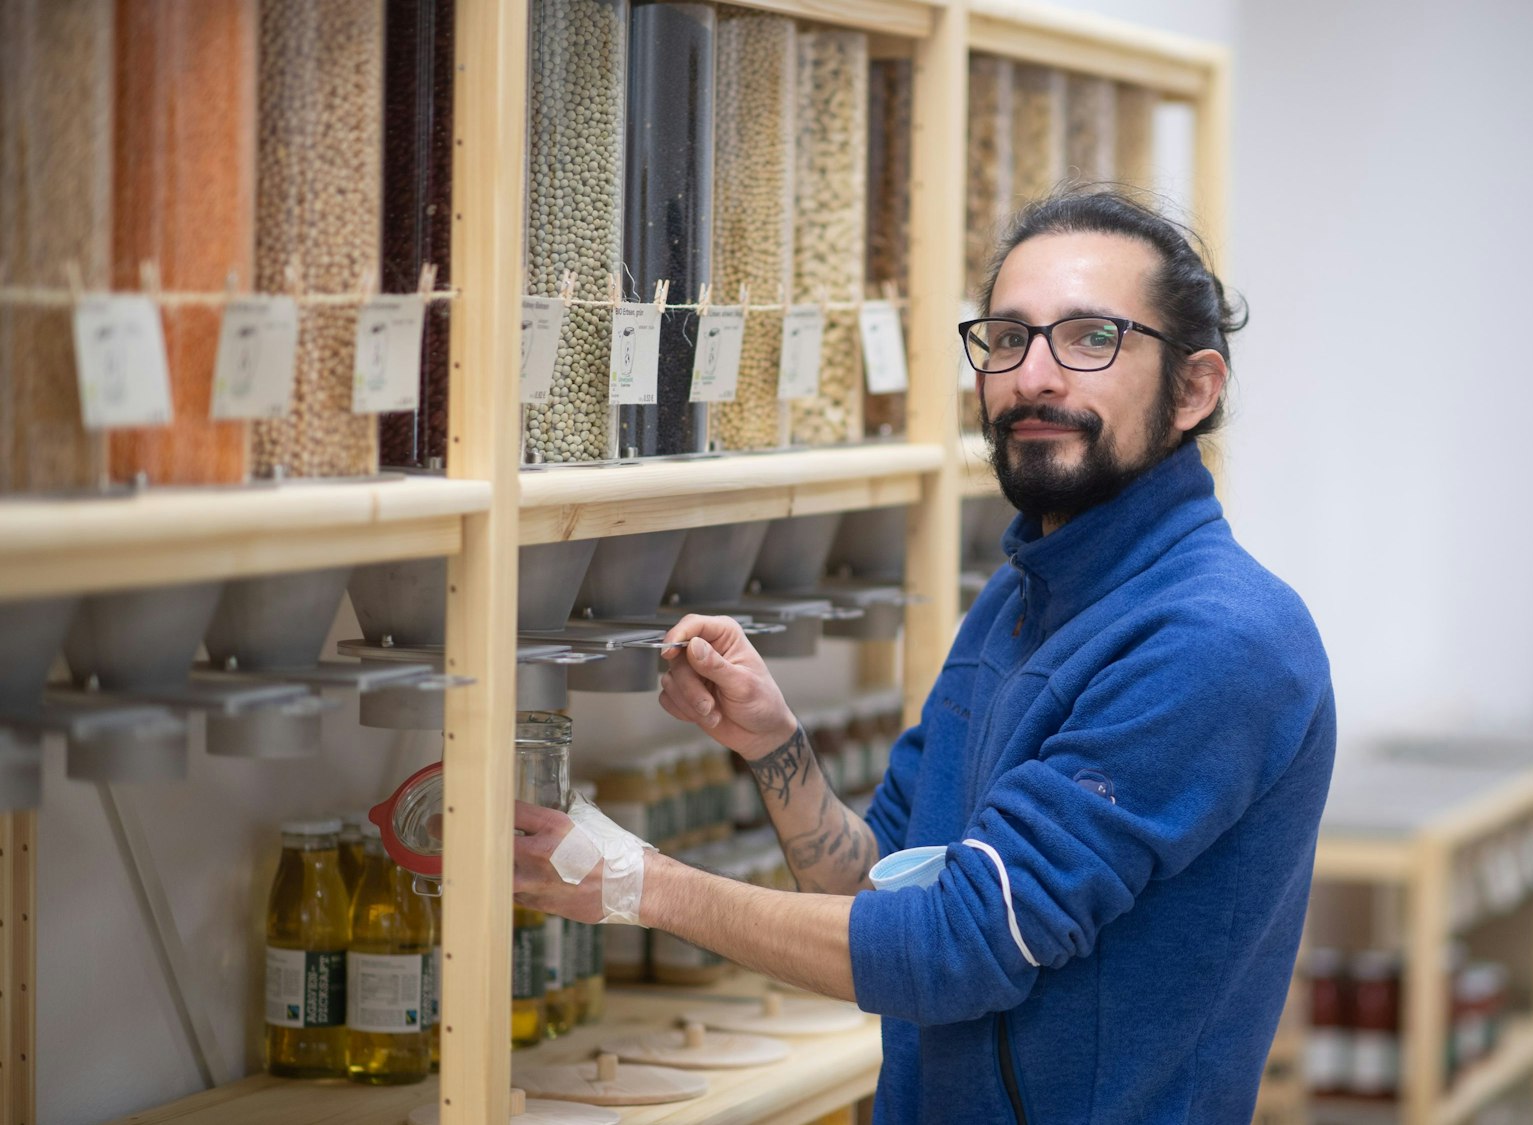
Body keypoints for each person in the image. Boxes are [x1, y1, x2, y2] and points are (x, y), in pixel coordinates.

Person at [514, 189, 1337, 1123]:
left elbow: (958, 947)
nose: (1035, 376)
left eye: (1090, 338)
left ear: (1193, 389)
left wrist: (641, 884)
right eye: (1008, 338)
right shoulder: (1019, 596)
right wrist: (776, 750)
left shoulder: (1215, 638)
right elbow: (881, 882)